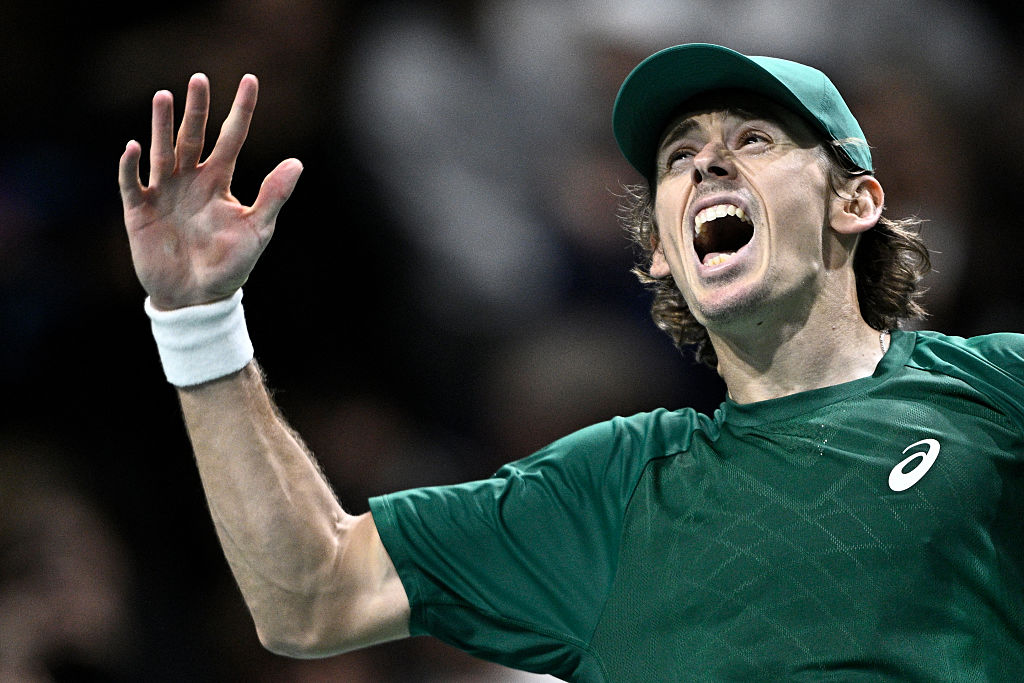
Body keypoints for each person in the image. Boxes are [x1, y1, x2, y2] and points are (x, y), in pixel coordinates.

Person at [118, 43, 1024, 681]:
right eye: (679, 157)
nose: (706, 165)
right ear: (662, 253)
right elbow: (313, 594)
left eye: (753, 139)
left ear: (855, 201)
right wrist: (201, 321)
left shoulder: (995, 386)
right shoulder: (609, 492)